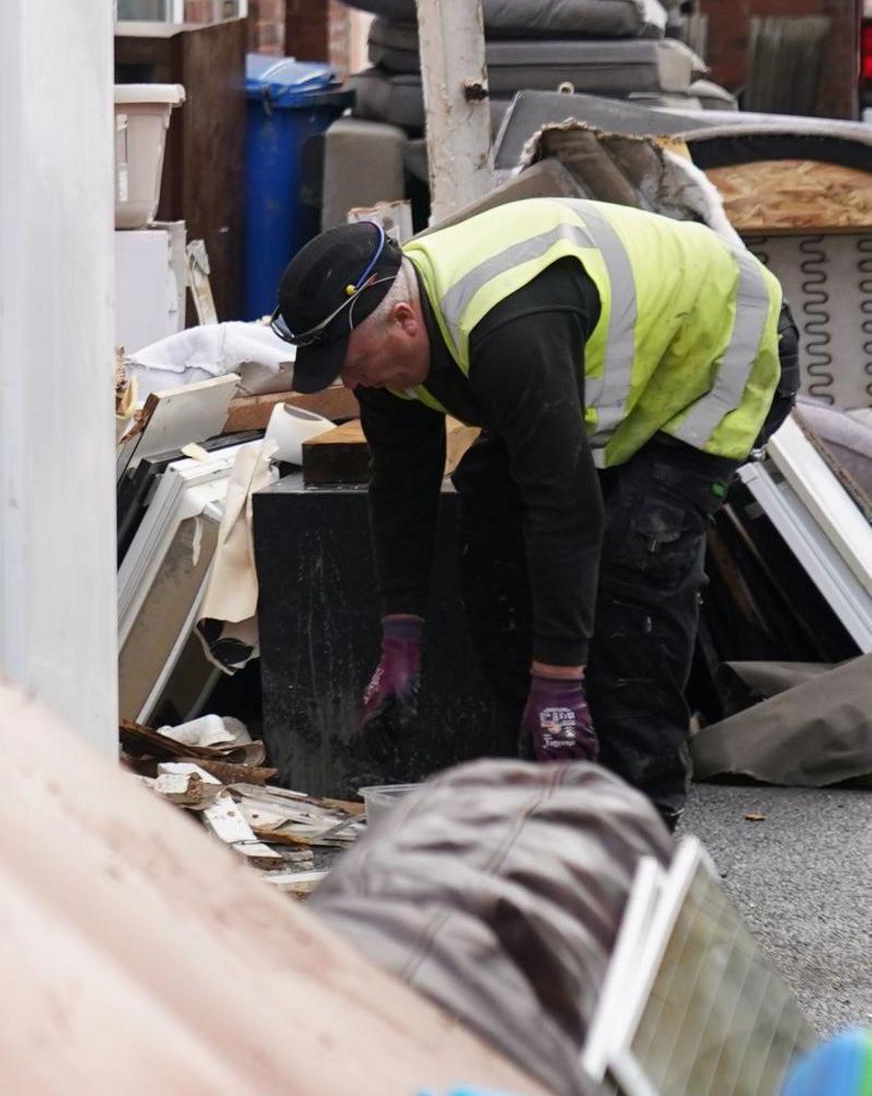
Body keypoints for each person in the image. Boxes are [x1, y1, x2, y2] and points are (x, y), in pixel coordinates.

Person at [273, 199, 797, 824]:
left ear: (406, 319)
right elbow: (403, 491)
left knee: (636, 558)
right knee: (490, 511)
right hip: (612, 384)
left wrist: (559, 680)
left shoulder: (508, 328)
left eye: (352, 366)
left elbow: (564, 507)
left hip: (717, 356)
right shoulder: (387, 352)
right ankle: (546, 777)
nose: (353, 386)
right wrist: (401, 635)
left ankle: (641, 815)